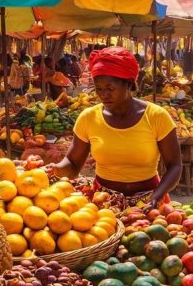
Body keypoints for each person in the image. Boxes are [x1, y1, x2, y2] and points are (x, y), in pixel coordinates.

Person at [52, 47, 181, 211]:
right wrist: (57, 168)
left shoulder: (157, 117)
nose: (103, 95)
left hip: (149, 202)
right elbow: (73, 163)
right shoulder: (88, 118)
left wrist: (157, 196)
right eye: (99, 89)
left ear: (128, 84)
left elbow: (175, 165)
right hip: (103, 204)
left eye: (110, 88)